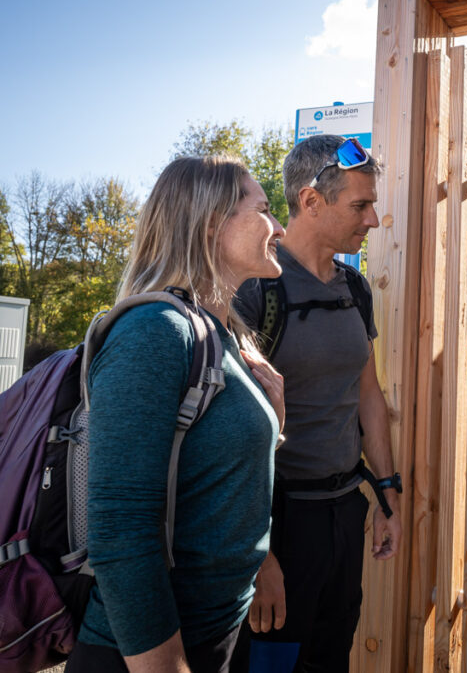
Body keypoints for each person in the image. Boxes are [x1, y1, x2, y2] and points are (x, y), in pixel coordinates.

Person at [66, 156, 287, 673]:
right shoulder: (154, 332)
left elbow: (214, 474)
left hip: (213, 634)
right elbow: (120, 527)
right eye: (263, 210)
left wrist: (274, 426)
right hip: (144, 652)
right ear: (211, 222)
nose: (278, 228)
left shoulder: (223, 333)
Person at [230, 135, 401, 673]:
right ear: (310, 201)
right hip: (280, 522)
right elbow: (226, 434)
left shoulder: (355, 288)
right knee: (270, 663)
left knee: (330, 658)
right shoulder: (255, 289)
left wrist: (388, 495)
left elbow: (367, 394)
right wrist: (259, 556)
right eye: (360, 205)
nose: (372, 220)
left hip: (344, 512)